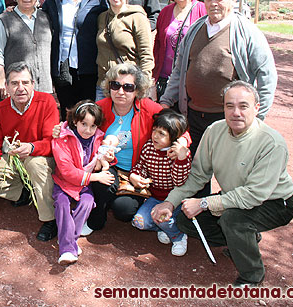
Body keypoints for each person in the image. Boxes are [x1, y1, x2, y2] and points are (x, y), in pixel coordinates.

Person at [152, 81, 293, 287]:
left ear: (257, 108)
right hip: (235, 197)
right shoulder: (214, 131)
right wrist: (170, 202)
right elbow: (197, 175)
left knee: (233, 220)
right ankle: (244, 239)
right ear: (223, 108)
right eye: (229, 106)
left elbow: (254, 195)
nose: (236, 112)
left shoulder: (272, 143)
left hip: (274, 202)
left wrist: (204, 203)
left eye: (243, 106)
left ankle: (252, 275)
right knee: (185, 221)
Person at [159, 0, 277, 162]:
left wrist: (257, 116)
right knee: (196, 170)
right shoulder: (195, 29)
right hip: (194, 116)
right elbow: (179, 71)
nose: (214, 3)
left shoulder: (247, 32)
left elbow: (267, 76)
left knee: (230, 171)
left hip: (228, 120)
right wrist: (166, 100)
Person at [83, 63, 189, 234]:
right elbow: (77, 123)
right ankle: (96, 220)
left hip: (137, 170)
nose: (120, 91)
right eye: (115, 85)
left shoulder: (148, 108)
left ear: (137, 90)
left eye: (128, 87)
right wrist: (61, 129)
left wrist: (182, 142)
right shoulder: (101, 107)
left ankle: (123, 199)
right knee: (104, 183)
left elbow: (178, 126)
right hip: (108, 165)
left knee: (123, 210)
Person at [0, 63, 60, 241]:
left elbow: (52, 143)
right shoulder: (1, 109)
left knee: (35, 165)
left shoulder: (47, 102)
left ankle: (50, 219)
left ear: (33, 84)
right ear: (7, 87)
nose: (20, 88)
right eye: (14, 83)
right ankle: (23, 192)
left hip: (40, 156)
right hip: (14, 158)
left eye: (25, 82)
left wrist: (32, 148)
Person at [43, 0, 108, 120]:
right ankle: (67, 145)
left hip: (88, 67)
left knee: (87, 115)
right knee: (67, 114)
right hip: (62, 66)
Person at [51, 100, 115, 265]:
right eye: (84, 124)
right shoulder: (62, 139)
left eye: (93, 126)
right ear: (75, 121)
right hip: (64, 183)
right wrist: (96, 177)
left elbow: (100, 157)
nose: (88, 130)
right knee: (62, 203)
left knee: (88, 202)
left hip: (83, 185)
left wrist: (107, 158)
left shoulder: (98, 138)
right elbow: (67, 172)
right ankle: (67, 250)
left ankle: (69, 239)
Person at [129, 109, 191, 256]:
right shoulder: (149, 147)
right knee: (138, 222)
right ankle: (163, 228)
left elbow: (180, 181)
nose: (155, 136)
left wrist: (181, 159)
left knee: (162, 218)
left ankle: (178, 236)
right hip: (155, 196)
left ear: (174, 137)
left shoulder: (178, 155)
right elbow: (141, 165)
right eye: (155, 130)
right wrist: (135, 176)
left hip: (174, 199)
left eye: (162, 134)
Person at [0, 0, 52, 96]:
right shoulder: (4, 20)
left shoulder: (46, 18)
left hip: (44, 88)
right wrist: (2, 80)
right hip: (17, 89)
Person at [95, 0, 154, 101]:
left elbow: (146, 55)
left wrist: (143, 86)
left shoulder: (137, 18)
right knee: (104, 120)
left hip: (127, 86)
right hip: (104, 85)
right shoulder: (102, 18)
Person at [153, 0, 207, 100]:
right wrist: (153, 78)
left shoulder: (202, 10)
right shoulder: (165, 12)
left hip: (189, 80)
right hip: (165, 80)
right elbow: (158, 47)